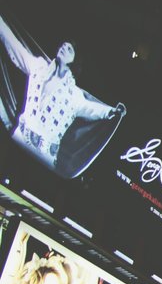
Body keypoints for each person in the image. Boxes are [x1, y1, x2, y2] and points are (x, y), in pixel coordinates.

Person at [0, 14, 124, 177]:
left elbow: (95, 110)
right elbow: (16, 48)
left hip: (44, 160)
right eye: (64, 44)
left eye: (70, 48)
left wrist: (112, 111)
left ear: (75, 60)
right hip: (18, 141)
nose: (64, 46)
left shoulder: (75, 96)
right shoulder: (39, 67)